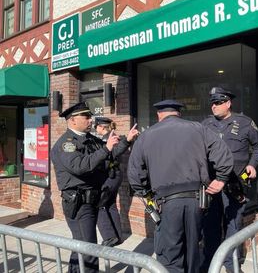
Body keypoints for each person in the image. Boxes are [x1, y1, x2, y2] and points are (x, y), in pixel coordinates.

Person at [127, 99, 234, 273]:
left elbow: (135, 175)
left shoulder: (146, 135)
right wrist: (221, 179)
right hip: (197, 201)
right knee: (192, 250)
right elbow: (223, 153)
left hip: (166, 202)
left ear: (158, 115)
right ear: (179, 113)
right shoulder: (198, 128)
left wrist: (146, 194)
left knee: (170, 254)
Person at [51, 102, 139, 273]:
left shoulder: (89, 139)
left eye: (90, 116)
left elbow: (109, 154)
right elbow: (80, 166)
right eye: (86, 117)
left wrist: (126, 141)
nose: (90, 120)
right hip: (78, 202)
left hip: (91, 199)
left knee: (81, 245)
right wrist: (105, 149)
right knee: (89, 248)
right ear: (73, 120)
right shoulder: (67, 143)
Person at [201, 87, 258, 273]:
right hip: (212, 184)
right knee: (210, 224)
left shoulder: (244, 123)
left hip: (236, 183)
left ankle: (231, 264)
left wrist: (253, 164)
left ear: (228, 103)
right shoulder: (205, 124)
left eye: (218, 102)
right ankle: (210, 261)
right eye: (212, 103)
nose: (214, 106)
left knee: (233, 224)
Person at [95, 117, 129, 247]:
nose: (95, 129)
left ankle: (109, 237)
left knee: (98, 204)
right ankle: (118, 236)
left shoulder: (110, 138)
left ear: (102, 127)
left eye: (96, 126)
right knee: (110, 205)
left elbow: (115, 152)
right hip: (113, 175)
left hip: (110, 176)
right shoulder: (108, 137)